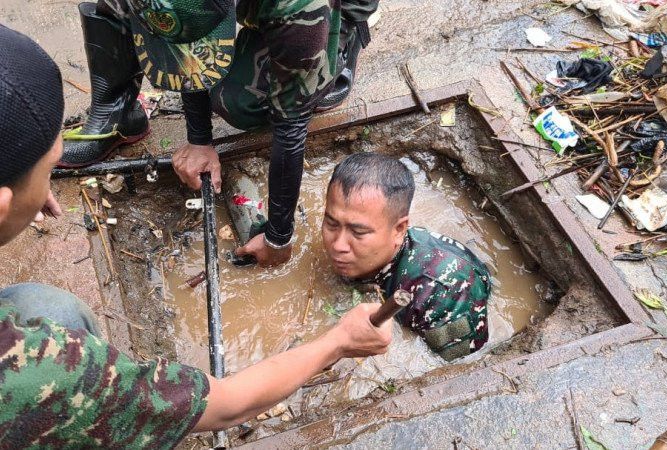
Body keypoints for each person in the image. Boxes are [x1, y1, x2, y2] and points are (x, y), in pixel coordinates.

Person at [0, 25, 392, 447]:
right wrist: (338, 340)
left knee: (49, 308)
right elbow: (227, 404)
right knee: (56, 318)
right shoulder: (37, 371)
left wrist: (24, 194)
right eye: (48, 171)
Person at [58, 0, 379, 267]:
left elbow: (291, 124)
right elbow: (183, 49)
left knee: (239, 103)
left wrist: (278, 237)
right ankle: (118, 114)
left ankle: (342, 41)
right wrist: (199, 139)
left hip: (312, 13)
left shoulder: (299, 5)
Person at [321, 153, 493, 361]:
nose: (338, 245)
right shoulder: (358, 241)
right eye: (331, 224)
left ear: (399, 229)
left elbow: (458, 368)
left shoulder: (444, 294)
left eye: (358, 233)